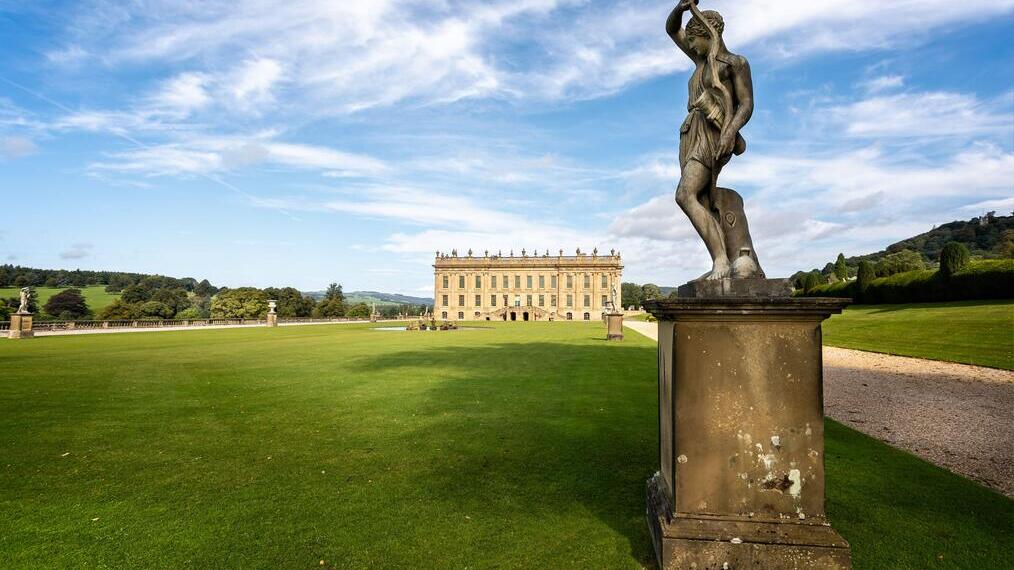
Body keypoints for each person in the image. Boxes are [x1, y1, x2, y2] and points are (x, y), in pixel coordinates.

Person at [666, 0, 764, 280]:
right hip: (692, 131)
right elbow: (672, 29)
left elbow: (746, 104)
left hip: (714, 130)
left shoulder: (735, 64)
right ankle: (736, 259)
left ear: (709, 35)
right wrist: (681, 8)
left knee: (685, 194)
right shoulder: (700, 60)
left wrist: (730, 131)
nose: (691, 46)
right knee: (704, 199)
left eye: (695, 40)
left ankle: (720, 261)